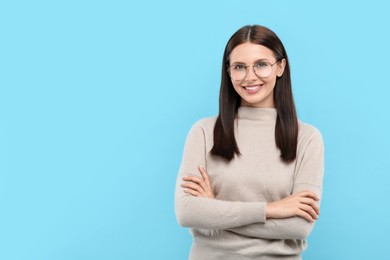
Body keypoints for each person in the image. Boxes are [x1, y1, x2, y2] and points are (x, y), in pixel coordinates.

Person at [174, 25, 324, 260]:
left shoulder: (307, 138)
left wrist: (214, 209)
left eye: (262, 64)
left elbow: (298, 226)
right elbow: (186, 212)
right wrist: (270, 210)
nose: (250, 76)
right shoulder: (203, 131)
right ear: (229, 71)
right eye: (239, 67)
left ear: (280, 67)